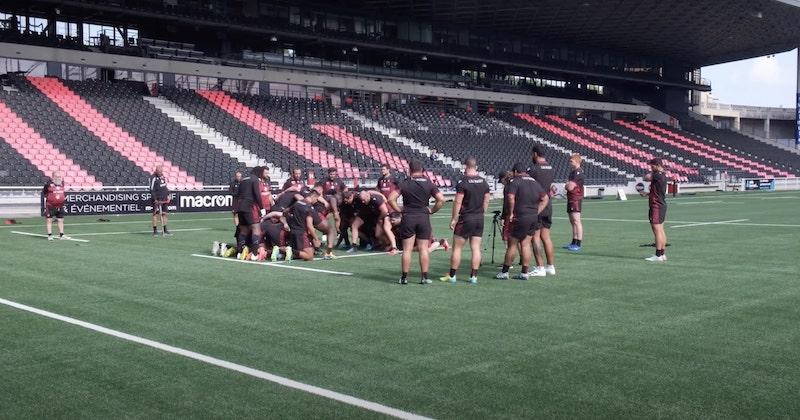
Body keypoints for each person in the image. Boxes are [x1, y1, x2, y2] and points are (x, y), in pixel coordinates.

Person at [388, 160, 445, 285]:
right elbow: (441, 199)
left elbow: (391, 199)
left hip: (409, 217)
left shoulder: (405, 183)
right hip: (423, 218)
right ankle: (424, 277)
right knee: (424, 249)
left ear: (410, 170)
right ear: (422, 170)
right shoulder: (429, 183)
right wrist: (432, 211)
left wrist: (400, 210)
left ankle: (404, 278)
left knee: (407, 250)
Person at [440, 157, 490, 284]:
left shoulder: (463, 182)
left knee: (457, 248)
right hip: (479, 218)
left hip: (466, 219)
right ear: (476, 167)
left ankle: (452, 276)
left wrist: (454, 218)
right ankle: (473, 277)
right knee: (476, 248)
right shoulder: (484, 182)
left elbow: (458, 201)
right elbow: (487, 199)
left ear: (465, 167)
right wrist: (482, 212)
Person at [496, 162, 549, 280]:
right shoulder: (534, 182)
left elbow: (510, 197)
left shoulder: (515, 181)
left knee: (512, 244)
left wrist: (510, 213)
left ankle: (504, 272)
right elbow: (545, 198)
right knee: (525, 244)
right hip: (533, 217)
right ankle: (524, 273)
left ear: (515, 172)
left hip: (520, 217)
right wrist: (536, 211)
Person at [528, 146, 556, 276]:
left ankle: (540, 267)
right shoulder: (550, 168)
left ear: (535, 154)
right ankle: (550, 266)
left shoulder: (533, 169)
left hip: (537, 206)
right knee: (546, 237)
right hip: (548, 205)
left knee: (535, 238)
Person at [236, 166, 268, 261]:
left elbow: (238, 194)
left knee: (244, 230)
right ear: (259, 173)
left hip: (240, 207)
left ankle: (240, 252)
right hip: (249, 207)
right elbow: (257, 194)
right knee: (256, 229)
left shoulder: (243, 180)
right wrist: (262, 208)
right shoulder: (255, 180)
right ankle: (254, 254)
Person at [351, 190, 397, 254]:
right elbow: (368, 191)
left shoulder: (377, 199)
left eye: (364, 200)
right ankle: (354, 246)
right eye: (361, 200)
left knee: (386, 228)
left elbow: (385, 211)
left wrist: (380, 219)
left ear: (368, 196)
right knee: (377, 234)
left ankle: (393, 247)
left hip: (386, 214)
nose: (362, 202)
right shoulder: (361, 196)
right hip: (373, 214)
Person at [642, 158, 669, 262]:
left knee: (657, 230)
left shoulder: (657, 174)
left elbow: (646, 177)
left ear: (657, 165)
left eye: (652, 166)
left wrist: (653, 172)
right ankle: (662, 254)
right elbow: (657, 192)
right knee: (661, 229)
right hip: (661, 204)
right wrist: (647, 194)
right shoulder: (662, 175)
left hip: (656, 205)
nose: (651, 168)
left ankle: (658, 255)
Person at [284, 189, 321, 261]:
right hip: (301, 233)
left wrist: (288, 222)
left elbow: (285, 212)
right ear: (313, 196)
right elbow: (309, 226)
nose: (316, 201)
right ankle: (289, 251)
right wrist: (316, 239)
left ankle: (292, 251)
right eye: (316, 199)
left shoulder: (297, 203)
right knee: (309, 257)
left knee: (308, 252)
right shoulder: (309, 208)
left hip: (293, 231)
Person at [564, 155, 585, 251]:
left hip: (576, 199)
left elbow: (569, 187)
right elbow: (568, 185)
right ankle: (573, 241)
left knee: (576, 221)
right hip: (571, 198)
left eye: (571, 161)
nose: (570, 162)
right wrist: (567, 184)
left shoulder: (578, 173)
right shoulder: (573, 172)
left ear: (577, 161)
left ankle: (578, 243)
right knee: (572, 222)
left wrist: (567, 184)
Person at [42, 171, 69, 241]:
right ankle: (50, 235)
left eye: (59, 177)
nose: (58, 178)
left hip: (60, 205)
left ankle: (62, 235)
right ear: (53, 177)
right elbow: (44, 193)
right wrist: (51, 199)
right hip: (50, 205)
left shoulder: (62, 184)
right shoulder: (48, 184)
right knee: (49, 220)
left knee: (60, 220)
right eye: (57, 177)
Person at [149, 165, 171, 236]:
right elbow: (151, 189)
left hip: (164, 198)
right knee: (155, 214)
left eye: (161, 171)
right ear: (156, 171)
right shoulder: (153, 178)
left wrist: (168, 195)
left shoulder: (162, 176)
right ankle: (155, 231)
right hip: (157, 199)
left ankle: (165, 229)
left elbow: (165, 186)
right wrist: (155, 199)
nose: (161, 173)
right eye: (159, 172)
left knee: (164, 214)